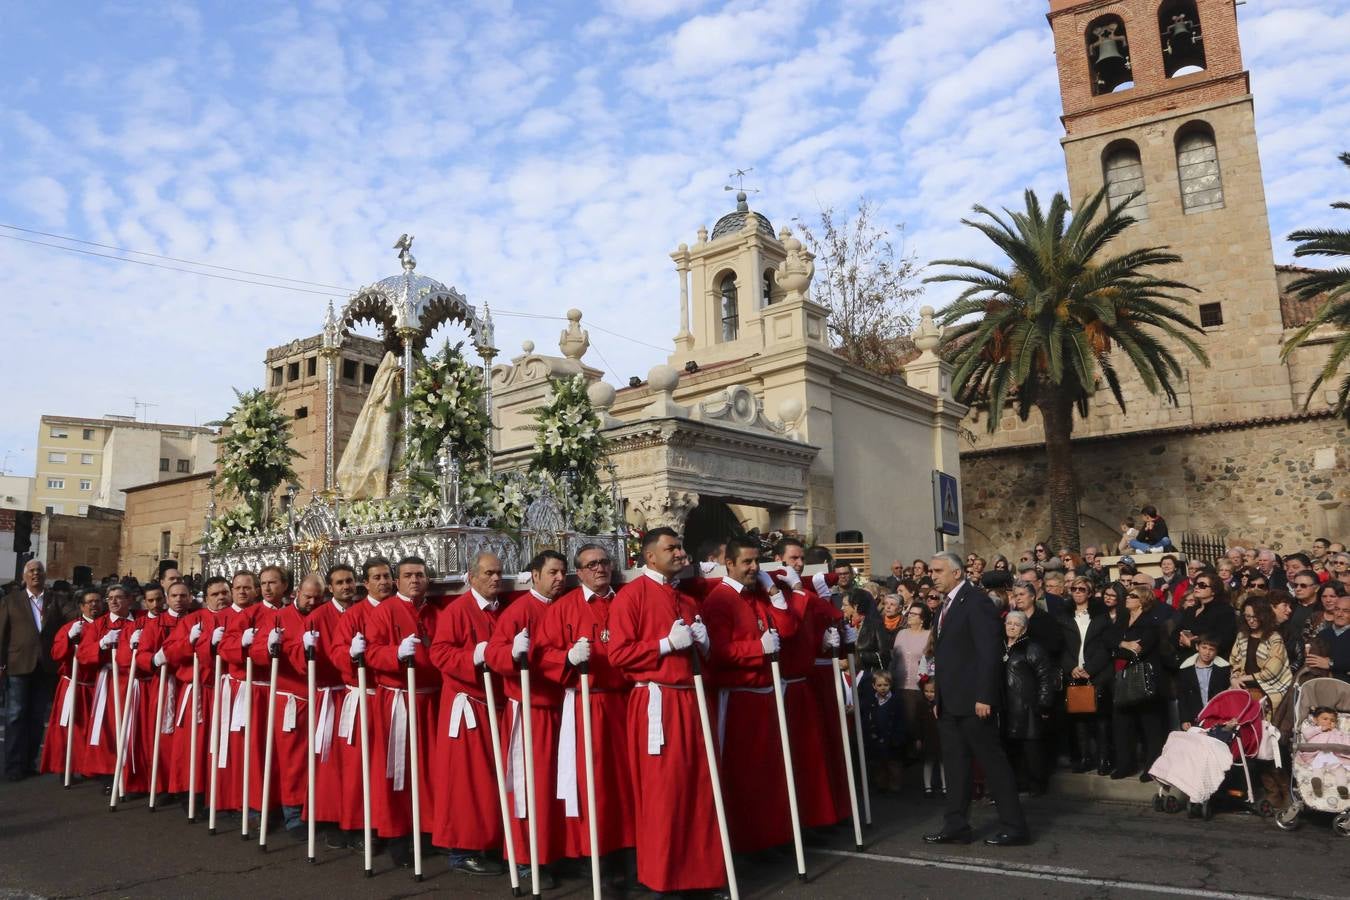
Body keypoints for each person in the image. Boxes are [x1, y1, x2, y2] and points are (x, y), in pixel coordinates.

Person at [609, 527, 730, 895]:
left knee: (701, 789)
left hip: (692, 700)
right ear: (649, 556)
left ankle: (705, 874)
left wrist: (705, 647)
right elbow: (618, 654)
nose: (680, 553)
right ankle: (664, 877)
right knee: (666, 793)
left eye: (680, 547)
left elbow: (705, 660)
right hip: (657, 703)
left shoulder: (689, 602)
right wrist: (663, 645)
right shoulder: (631, 597)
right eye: (672, 548)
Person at [534, 542, 636, 881]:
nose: (599, 569)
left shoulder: (626, 601)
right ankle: (596, 853)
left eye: (605, 563)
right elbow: (543, 652)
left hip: (623, 702)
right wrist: (566, 658)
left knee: (626, 779)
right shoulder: (563, 609)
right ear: (580, 572)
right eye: (591, 565)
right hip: (585, 704)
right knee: (592, 781)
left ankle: (630, 850)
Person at [700, 536, 798, 854]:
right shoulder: (720, 600)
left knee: (766, 772)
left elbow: (786, 629)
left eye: (756, 561)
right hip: (738, 696)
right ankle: (743, 841)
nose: (754, 567)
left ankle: (767, 836)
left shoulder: (756, 596)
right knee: (742, 775)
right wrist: (757, 648)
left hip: (763, 694)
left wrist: (773, 592)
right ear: (729, 563)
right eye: (747, 562)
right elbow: (717, 650)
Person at [923, 552, 1028, 847]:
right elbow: (947, 656)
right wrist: (938, 699)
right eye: (931, 570)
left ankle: (1014, 826)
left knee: (993, 764)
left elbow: (988, 653)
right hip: (949, 702)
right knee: (956, 765)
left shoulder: (977, 601)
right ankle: (956, 825)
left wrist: (985, 695)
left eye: (938, 570)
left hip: (974, 702)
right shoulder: (945, 605)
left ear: (957, 573)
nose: (933, 575)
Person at [485, 550, 568, 889]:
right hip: (530, 710)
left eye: (563, 571)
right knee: (526, 789)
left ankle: (554, 852)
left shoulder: (566, 607)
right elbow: (493, 653)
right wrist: (512, 652)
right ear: (535, 575)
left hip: (562, 707)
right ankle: (523, 857)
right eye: (552, 572)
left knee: (556, 790)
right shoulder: (519, 611)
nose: (559, 578)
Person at [430, 552, 509, 876]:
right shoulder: (458, 611)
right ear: (471, 576)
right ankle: (461, 851)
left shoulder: (498, 611)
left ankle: (486, 842)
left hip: (492, 705)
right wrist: (474, 655)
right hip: (468, 708)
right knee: (466, 782)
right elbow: (440, 653)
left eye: (499, 573)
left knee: (489, 780)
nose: (495, 579)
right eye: (489, 573)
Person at [363, 555, 441, 867]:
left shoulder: (435, 613)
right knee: (397, 770)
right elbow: (370, 651)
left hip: (430, 700)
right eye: (408, 575)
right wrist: (394, 653)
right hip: (398, 699)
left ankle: (426, 830)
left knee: (428, 770)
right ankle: (397, 836)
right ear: (397, 581)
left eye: (420, 575)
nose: (414, 580)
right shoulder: (384, 612)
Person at [1, 559, 67, 781]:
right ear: (24, 576)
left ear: (45, 575)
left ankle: (29, 762)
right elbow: (2, 633)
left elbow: (74, 616)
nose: (36, 573)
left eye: (39, 570)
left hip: (45, 666)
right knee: (15, 715)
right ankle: (13, 766)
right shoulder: (11, 601)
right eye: (31, 571)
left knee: (37, 717)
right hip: (18, 664)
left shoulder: (55, 600)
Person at [38, 587, 104, 778]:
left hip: (97, 687)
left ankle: (89, 767)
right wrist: (68, 638)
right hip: (74, 684)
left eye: (98, 601)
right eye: (90, 602)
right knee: (68, 728)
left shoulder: (106, 626)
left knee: (93, 729)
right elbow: (56, 653)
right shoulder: (70, 627)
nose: (94, 605)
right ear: (82, 606)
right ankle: (65, 765)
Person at [1109, 587, 1167, 782]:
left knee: (1150, 724)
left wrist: (1120, 646)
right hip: (1123, 678)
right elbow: (1109, 641)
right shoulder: (1123, 619)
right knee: (1122, 723)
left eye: (1133, 596)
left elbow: (1140, 650)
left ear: (1142, 601)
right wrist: (1124, 644)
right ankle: (1125, 764)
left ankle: (1152, 767)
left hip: (1145, 678)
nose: (1127, 598)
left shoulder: (1150, 622)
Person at [1001, 610, 1057, 796]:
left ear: (1024, 628)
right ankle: (1017, 782)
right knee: (1011, 748)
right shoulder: (1000, 647)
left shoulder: (1032, 648)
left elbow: (1045, 677)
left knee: (1031, 748)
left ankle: (1037, 785)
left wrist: (1043, 703)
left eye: (1016, 624)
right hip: (1005, 707)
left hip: (1027, 706)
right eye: (1009, 623)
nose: (1011, 626)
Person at [1063, 576, 1113, 774]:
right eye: (1074, 588)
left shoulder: (1101, 617)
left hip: (1097, 673)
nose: (1077, 592)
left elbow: (1105, 646)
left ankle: (1104, 759)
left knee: (1101, 719)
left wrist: (1090, 668)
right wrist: (1070, 667)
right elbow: (1062, 647)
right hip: (1075, 673)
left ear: (1089, 593)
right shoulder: (1064, 616)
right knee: (1080, 718)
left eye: (1082, 589)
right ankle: (1085, 757)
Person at [1231, 596, 1293, 714]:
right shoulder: (1242, 636)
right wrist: (1234, 678)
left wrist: (1242, 678)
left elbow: (1271, 672)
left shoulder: (1274, 638)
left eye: (1255, 616)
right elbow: (1235, 661)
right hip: (1244, 685)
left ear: (1264, 616)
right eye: (1248, 616)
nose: (1251, 620)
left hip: (1270, 687)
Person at [1172, 574, 1237, 658]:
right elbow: (1175, 634)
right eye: (1196, 584)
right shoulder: (1190, 610)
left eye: (1202, 585)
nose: (1196, 587)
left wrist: (1192, 643)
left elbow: (1224, 640)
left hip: (1212, 661)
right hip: (1187, 658)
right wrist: (1181, 641)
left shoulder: (1225, 610)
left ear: (1214, 591)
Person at [862, 670, 906, 793]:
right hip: (876, 736)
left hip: (892, 737)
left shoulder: (896, 701)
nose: (882, 688)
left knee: (894, 764)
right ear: (874, 686)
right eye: (879, 685)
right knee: (879, 763)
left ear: (890, 685)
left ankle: (895, 786)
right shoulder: (871, 701)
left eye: (885, 685)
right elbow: (867, 717)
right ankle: (881, 785)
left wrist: (898, 737)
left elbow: (901, 720)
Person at [1176, 636, 1231, 730]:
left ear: (1216, 651)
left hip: (1217, 716)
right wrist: (1184, 719)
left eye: (1211, 649)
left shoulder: (1223, 668)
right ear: (1197, 647)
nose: (1207, 652)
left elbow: (1227, 695)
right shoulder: (1186, 668)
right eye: (1204, 648)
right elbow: (1182, 696)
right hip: (1195, 717)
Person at [856, 593, 904, 675]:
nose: (888, 607)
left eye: (892, 604)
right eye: (886, 604)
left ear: (900, 609)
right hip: (877, 666)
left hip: (897, 662)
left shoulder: (905, 624)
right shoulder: (876, 622)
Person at [1306, 596, 1350, 683]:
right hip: (1322, 685)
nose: (1339, 614)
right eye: (1337, 609)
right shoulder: (1323, 634)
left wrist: (1331, 663)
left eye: (1346, 611)